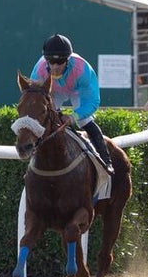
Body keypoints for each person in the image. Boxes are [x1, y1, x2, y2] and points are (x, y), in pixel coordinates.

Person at [29, 33, 114, 174]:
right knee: (46, 119)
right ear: (46, 59)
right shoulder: (39, 70)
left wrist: (73, 116)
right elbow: (35, 99)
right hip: (53, 91)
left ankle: (105, 160)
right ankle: (35, 156)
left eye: (60, 62)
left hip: (77, 91)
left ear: (68, 60)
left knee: (85, 121)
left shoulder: (82, 70)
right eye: (51, 61)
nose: (55, 67)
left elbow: (92, 101)